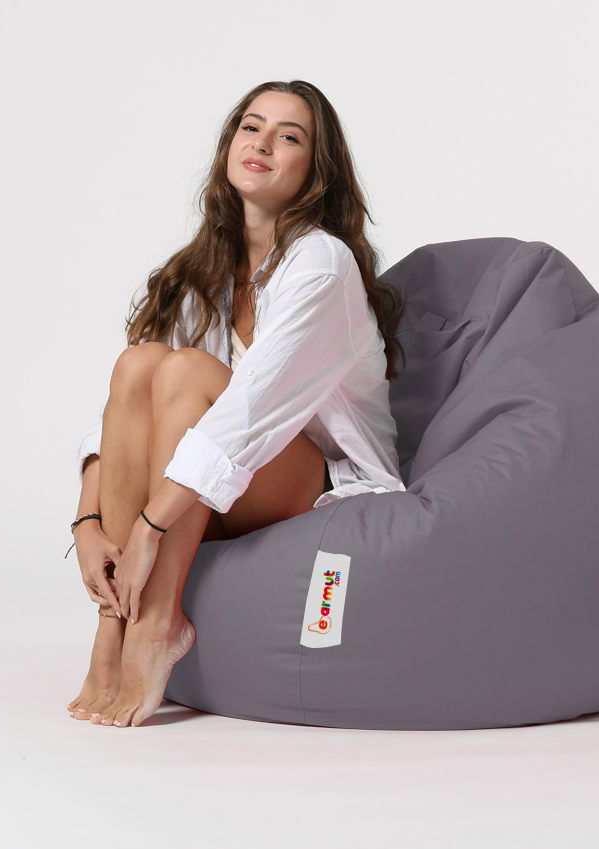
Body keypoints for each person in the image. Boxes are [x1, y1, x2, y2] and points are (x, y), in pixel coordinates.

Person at [66, 80, 408, 727]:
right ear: (230, 143)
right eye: (252, 127)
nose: (263, 143)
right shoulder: (205, 269)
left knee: (187, 372)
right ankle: (113, 623)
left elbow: (245, 412)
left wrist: (150, 529)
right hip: (225, 482)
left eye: (289, 135)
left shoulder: (321, 262)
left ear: (316, 168)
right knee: (140, 364)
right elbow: (123, 414)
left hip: (316, 485)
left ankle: (157, 622)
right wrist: (87, 524)